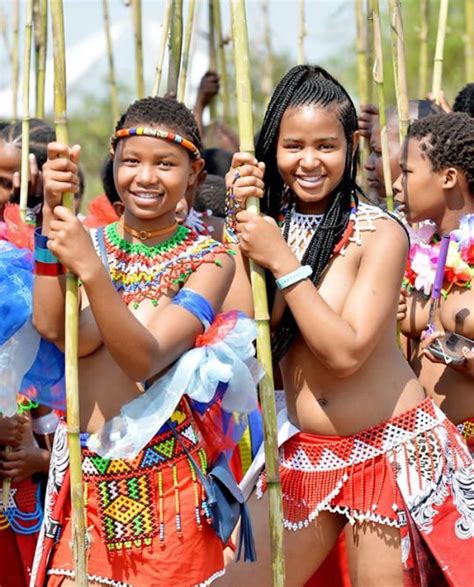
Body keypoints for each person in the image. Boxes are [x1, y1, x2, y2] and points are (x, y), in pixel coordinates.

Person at [217, 65, 473, 586]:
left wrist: (283, 260)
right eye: (293, 146)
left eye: (326, 146)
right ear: (271, 148)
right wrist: (242, 224)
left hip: (390, 451)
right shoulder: (263, 226)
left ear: (349, 148)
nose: (309, 161)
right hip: (306, 453)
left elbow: (346, 352)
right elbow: (242, 331)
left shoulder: (380, 231)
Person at [30, 96, 259, 586]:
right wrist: (50, 215)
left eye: (165, 164)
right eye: (131, 161)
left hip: (166, 491)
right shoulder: (92, 240)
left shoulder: (211, 261)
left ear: (194, 172)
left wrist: (91, 272)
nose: (145, 177)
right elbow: (54, 328)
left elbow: (144, 358)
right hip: (84, 482)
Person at [395, 112, 474, 456]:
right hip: (425, 451)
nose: (396, 184)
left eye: (407, 172)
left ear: (448, 177)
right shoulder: (410, 251)